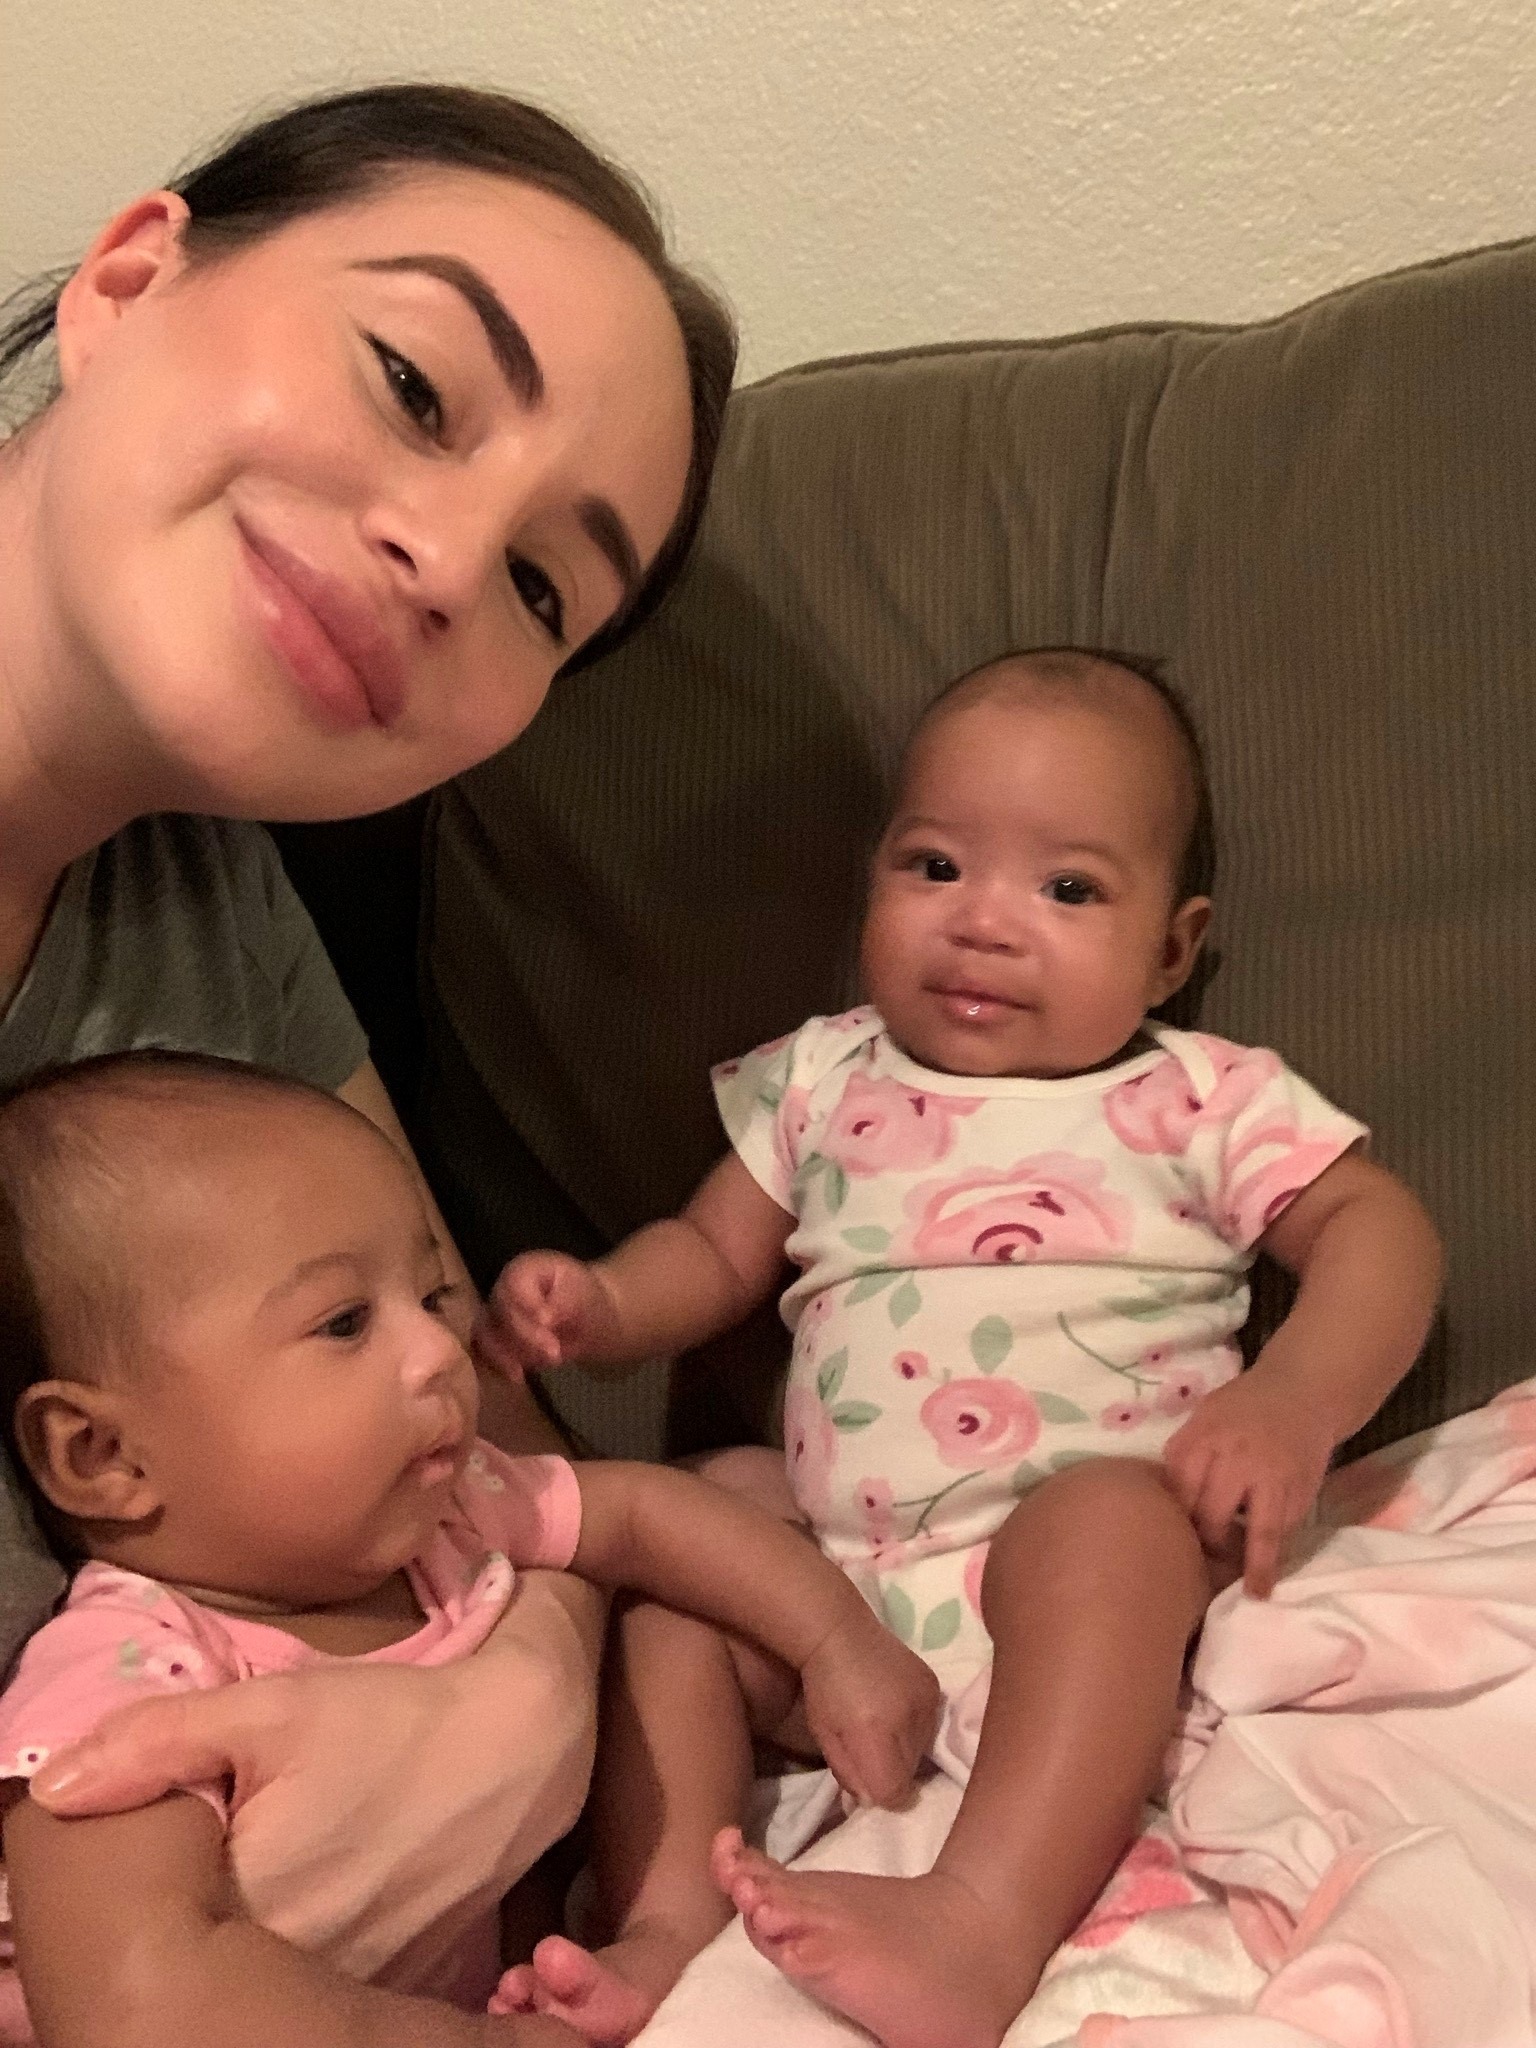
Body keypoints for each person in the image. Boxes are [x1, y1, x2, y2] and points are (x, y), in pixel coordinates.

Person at [0, 79, 735, 1978]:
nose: (442, 554)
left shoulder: (212, 906)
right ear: (130, 279)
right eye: (414, 385)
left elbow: (475, 1405)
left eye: (542, 587)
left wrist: (517, 1699)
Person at [484, 648, 1444, 2048]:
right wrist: (605, 1309)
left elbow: (1377, 1228)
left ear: (1172, 950)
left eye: (1066, 890)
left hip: (1078, 1597)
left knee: (1109, 1518)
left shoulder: (1196, 1097)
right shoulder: (818, 1078)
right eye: (934, 867)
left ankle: (979, 1918)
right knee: (693, 1531)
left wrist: (1297, 1400)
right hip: (837, 1602)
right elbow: (709, 1257)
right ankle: (668, 1925)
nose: (984, 923)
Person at [0, 1051, 941, 2043]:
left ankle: (667, 1936)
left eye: (434, 1293)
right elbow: (137, 2005)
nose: (441, 1351)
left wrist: (839, 1637)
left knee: (684, 1574)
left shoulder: (443, 1509)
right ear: (103, 1454)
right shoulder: (124, 1689)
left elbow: (639, 1514)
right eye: (346, 1321)